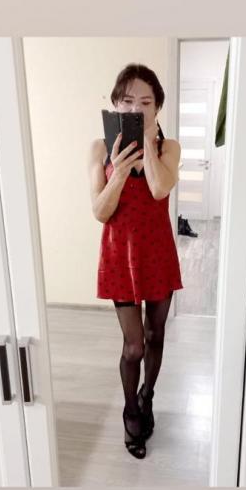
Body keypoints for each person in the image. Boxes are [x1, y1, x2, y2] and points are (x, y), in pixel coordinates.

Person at [88, 63, 183, 460]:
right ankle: (130, 410)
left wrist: (146, 142)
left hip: (157, 253)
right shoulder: (99, 149)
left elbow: (160, 190)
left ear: (157, 107)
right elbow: (100, 211)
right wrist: (119, 172)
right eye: (128, 101)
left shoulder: (168, 148)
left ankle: (148, 396)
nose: (136, 109)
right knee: (133, 347)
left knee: (156, 335)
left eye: (146, 102)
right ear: (115, 104)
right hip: (119, 256)